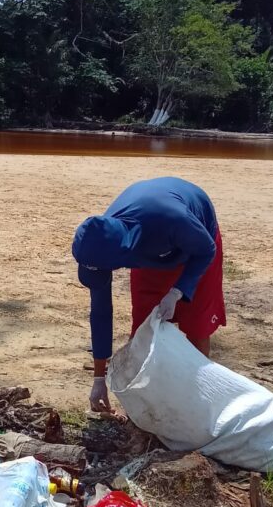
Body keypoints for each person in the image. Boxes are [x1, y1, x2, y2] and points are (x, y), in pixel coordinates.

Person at [72, 176, 227, 412]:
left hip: (196, 246)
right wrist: (98, 379)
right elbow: (101, 312)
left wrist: (177, 292)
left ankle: (194, 399)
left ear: (121, 256)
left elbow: (206, 250)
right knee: (143, 331)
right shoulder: (99, 242)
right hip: (152, 253)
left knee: (196, 326)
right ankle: (145, 405)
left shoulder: (171, 218)